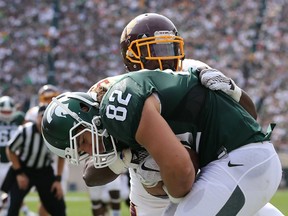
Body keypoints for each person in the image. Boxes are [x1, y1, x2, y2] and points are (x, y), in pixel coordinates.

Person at [83, 13, 282, 216]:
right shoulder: (118, 94)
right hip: (153, 199)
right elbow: (91, 174)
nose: (166, 58)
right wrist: (126, 157)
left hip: (207, 178)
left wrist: (231, 89)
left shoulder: (192, 72)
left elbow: (249, 116)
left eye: (170, 48)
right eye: (155, 50)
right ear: (132, 56)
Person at [5, 105, 66, 216]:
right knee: (14, 205)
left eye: (46, 116)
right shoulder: (25, 130)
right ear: (37, 117)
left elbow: (61, 155)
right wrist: (19, 173)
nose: (43, 119)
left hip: (44, 171)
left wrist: (58, 179)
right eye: (41, 116)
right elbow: (10, 149)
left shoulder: (55, 133)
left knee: (58, 207)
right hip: (24, 169)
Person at [25, 84, 69, 216]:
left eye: (52, 97)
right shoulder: (34, 113)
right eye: (47, 97)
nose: (49, 100)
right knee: (47, 199)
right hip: (42, 161)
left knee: (55, 199)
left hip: (57, 159)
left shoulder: (62, 111)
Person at [0, 96, 35, 216]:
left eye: (8, 111)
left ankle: (23, 211)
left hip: (13, 161)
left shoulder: (19, 118)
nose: (6, 114)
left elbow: (29, 130)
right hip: (1, 162)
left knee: (13, 192)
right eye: (3, 111)